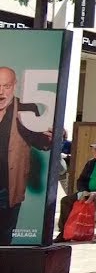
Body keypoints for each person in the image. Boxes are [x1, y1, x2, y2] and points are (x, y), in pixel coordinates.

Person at [0, 66, 54, 246]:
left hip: (8, 188)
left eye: (6, 86)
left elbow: (41, 141)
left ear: (14, 86)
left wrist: (54, 137)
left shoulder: (26, 110)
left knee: (4, 238)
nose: (1, 92)